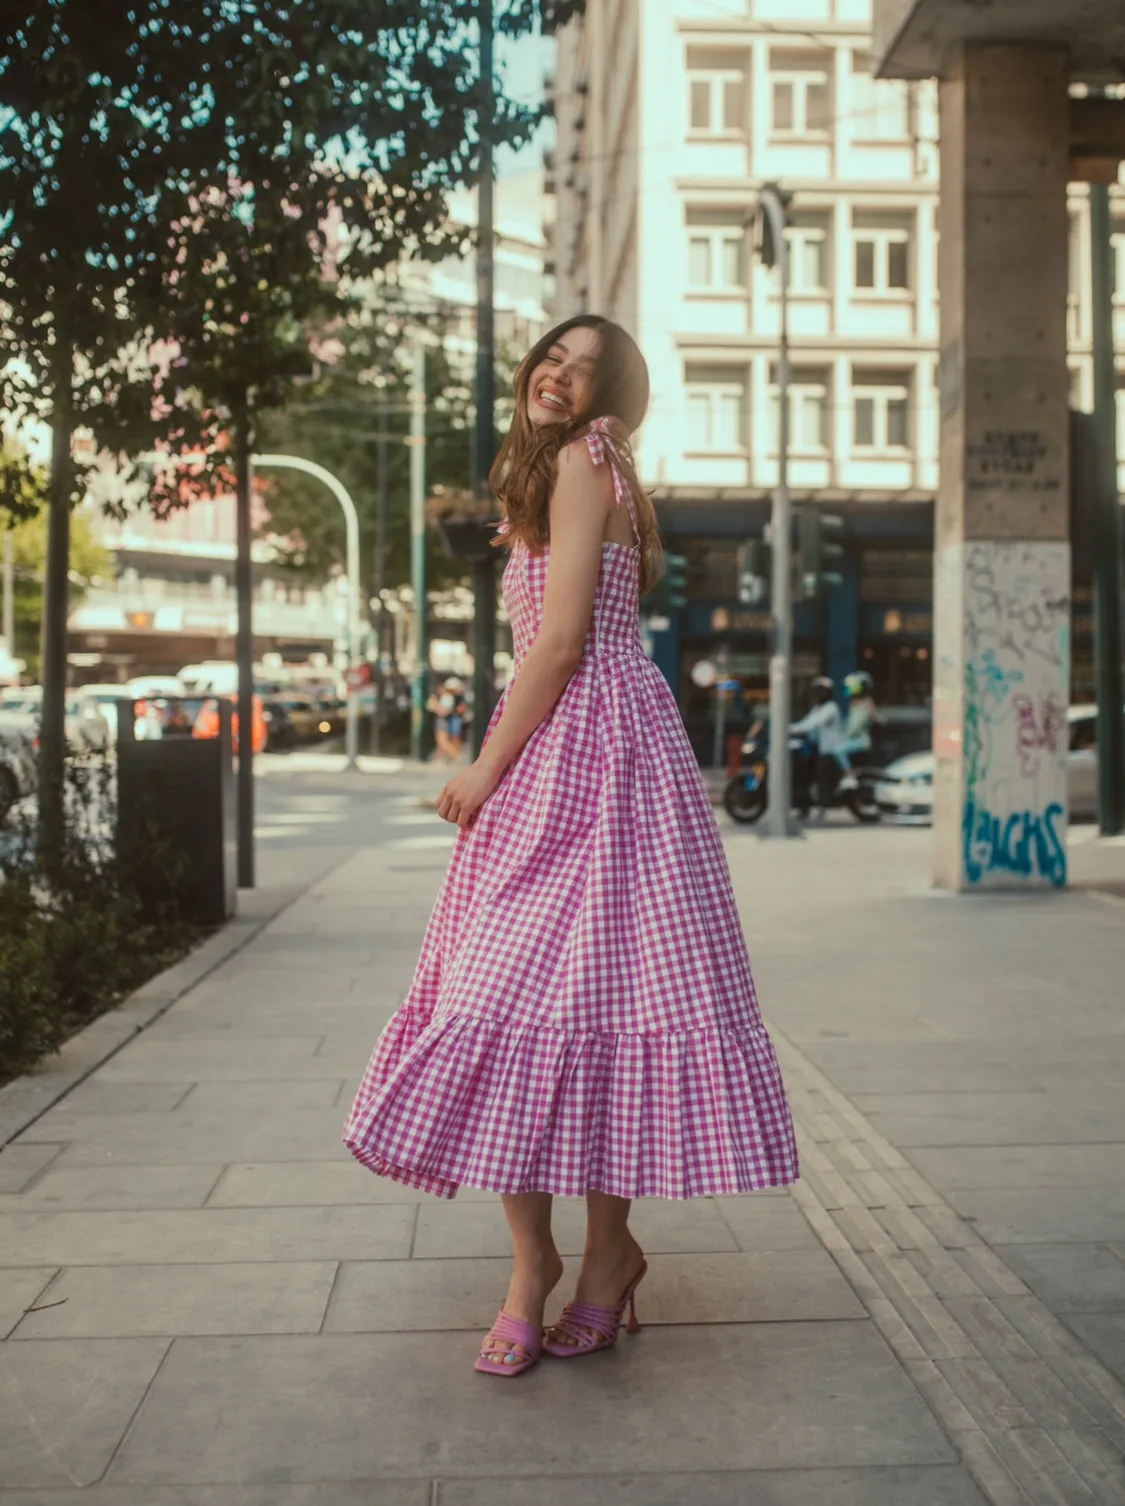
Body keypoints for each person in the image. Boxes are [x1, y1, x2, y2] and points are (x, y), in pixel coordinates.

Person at [343, 314, 798, 1380]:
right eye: (554, 356)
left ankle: (601, 1263)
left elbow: (558, 642)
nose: (560, 375)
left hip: (591, 758)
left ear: (609, 403)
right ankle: (534, 1265)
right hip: (581, 744)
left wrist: (482, 769)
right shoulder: (553, 468)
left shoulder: (589, 460)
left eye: (586, 373)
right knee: (503, 1003)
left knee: (599, 1005)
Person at [790, 676, 843, 817]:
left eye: (823, 691)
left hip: (830, 750)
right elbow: (806, 722)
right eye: (817, 691)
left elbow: (812, 725)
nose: (819, 694)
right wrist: (789, 728)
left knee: (822, 778)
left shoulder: (830, 708)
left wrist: (794, 730)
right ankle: (803, 808)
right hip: (818, 749)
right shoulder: (818, 708)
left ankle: (822, 810)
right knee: (804, 776)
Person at [837, 671, 876, 771]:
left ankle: (848, 774)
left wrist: (844, 736)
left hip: (860, 741)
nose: (850, 689)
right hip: (852, 739)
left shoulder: (866, 704)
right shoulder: (854, 703)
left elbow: (856, 726)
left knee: (838, 750)